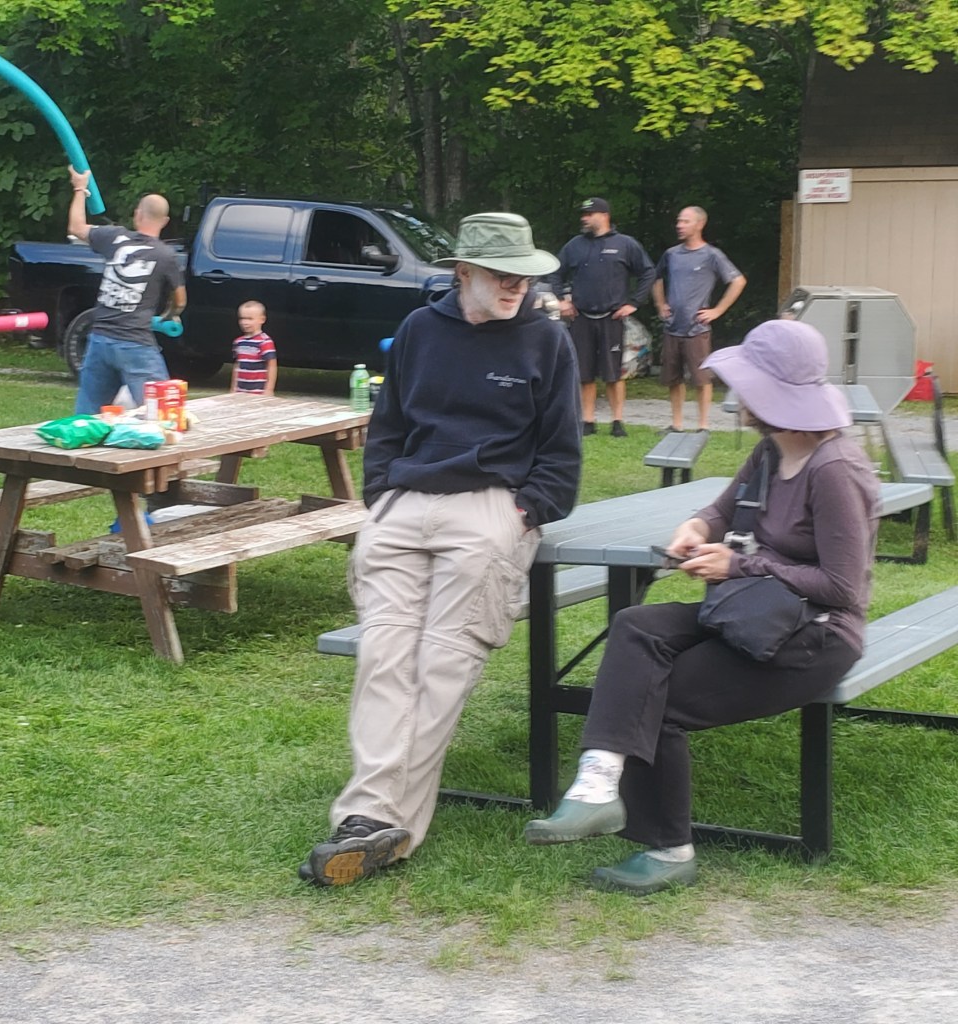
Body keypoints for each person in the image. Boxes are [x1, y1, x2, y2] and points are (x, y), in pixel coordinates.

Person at [524, 319, 879, 895]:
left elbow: (842, 587)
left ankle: (670, 851)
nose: (738, 395)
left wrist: (738, 566)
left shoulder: (835, 469)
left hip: (816, 637)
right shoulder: (771, 451)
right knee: (636, 626)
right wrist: (696, 527)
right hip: (756, 613)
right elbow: (721, 511)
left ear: (774, 394)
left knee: (660, 698)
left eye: (747, 384)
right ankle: (596, 787)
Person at [300, 212, 582, 887]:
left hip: (490, 509)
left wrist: (522, 512)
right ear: (464, 272)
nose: (516, 286)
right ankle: (374, 825)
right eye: (502, 274)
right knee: (384, 659)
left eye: (524, 275)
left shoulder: (547, 340)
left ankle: (370, 821)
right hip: (404, 507)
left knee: (443, 666)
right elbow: (389, 424)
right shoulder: (420, 330)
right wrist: (382, 494)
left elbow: (562, 456)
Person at [67, 167, 186, 414]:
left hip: (99, 340)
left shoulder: (114, 237)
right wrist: (168, 316)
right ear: (165, 222)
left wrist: (80, 187)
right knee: (163, 412)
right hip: (136, 345)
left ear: (137, 215)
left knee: (87, 417)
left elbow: (76, 227)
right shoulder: (166, 255)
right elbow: (180, 301)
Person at [550, 198, 655, 438]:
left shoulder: (625, 244)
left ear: (604, 215)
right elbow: (555, 272)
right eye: (583, 214)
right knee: (584, 372)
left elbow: (648, 272)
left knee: (614, 372)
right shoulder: (574, 245)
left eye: (589, 214)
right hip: (581, 317)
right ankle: (588, 420)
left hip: (612, 318)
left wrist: (633, 303)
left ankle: (617, 421)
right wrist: (562, 300)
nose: (584, 218)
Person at [652, 206, 745, 433]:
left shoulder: (712, 255)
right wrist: (660, 304)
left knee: (702, 379)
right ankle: (677, 424)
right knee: (673, 379)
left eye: (685, 221)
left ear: (699, 224)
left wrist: (717, 310)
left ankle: (703, 425)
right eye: (679, 221)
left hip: (697, 329)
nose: (679, 225)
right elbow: (656, 278)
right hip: (672, 326)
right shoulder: (671, 254)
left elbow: (738, 281)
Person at [230, 301, 277, 395]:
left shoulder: (265, 342)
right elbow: (237, 365)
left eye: (250, 319)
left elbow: (272, 366)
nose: (245, 322)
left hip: (258, 391)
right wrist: (233, 388)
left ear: (262, 319)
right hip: (240, 391)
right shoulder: (239, 342)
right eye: (242, 318)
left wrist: (269, 389)